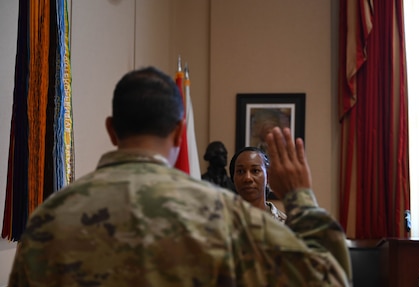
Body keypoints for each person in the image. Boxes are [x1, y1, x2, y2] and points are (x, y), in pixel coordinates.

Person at [8, 66, 352, 286]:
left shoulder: (48, 219)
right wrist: (301, 197)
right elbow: (330, 281)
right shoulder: (225, 216)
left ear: (112, 130)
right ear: (179, 133)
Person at [229, 146, 286, 222]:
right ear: (233, 178)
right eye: (240, 171)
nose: (248, 178)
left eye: (255, 171)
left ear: (268, 176)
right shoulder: (218, 223)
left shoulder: (286, 224)